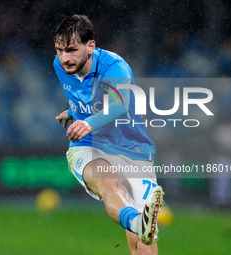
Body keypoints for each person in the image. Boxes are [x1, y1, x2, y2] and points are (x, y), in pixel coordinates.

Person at [54, 15, 165, 255]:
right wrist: (74, 113)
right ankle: (137, 222)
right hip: (89, 145)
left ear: (90, 46)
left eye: (72, 50)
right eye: (60, 50)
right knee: (108, 183)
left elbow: (120, 103)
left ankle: (138, 224)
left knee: (143, 245)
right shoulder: (60, 65)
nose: (64, 58)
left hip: (133, 149)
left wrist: (88, 122)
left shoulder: (116, 67)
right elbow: (83, 96)